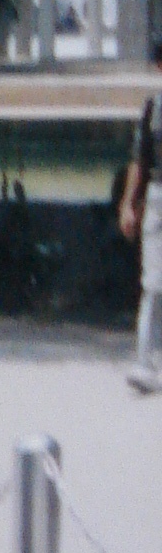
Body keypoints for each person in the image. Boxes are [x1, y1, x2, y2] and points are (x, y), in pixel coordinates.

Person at [120, 38, 162, 390]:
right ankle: (145, 363)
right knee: (153, 285)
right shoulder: (152, 110)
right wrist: (129, 204)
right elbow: (140, 160)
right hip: (160, 198)